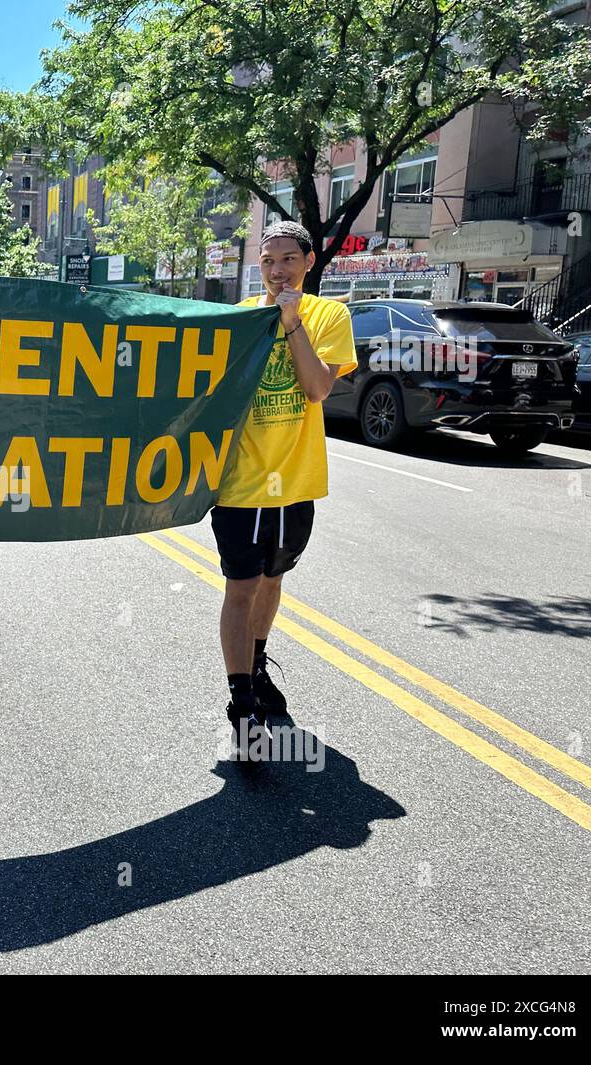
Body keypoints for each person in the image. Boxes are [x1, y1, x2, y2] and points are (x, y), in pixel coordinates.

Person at [214, 220, 356, 756]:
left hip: (295, 483)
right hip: (240, 483)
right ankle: (241, 700)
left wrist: (292, 322)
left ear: (309, 261)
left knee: (272, 581)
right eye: (268, 261)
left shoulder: (329, 315)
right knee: (241, 587)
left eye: (288, 260)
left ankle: (256, 662)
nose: (277, 271)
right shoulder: (239, 318)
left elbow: (318, 388)